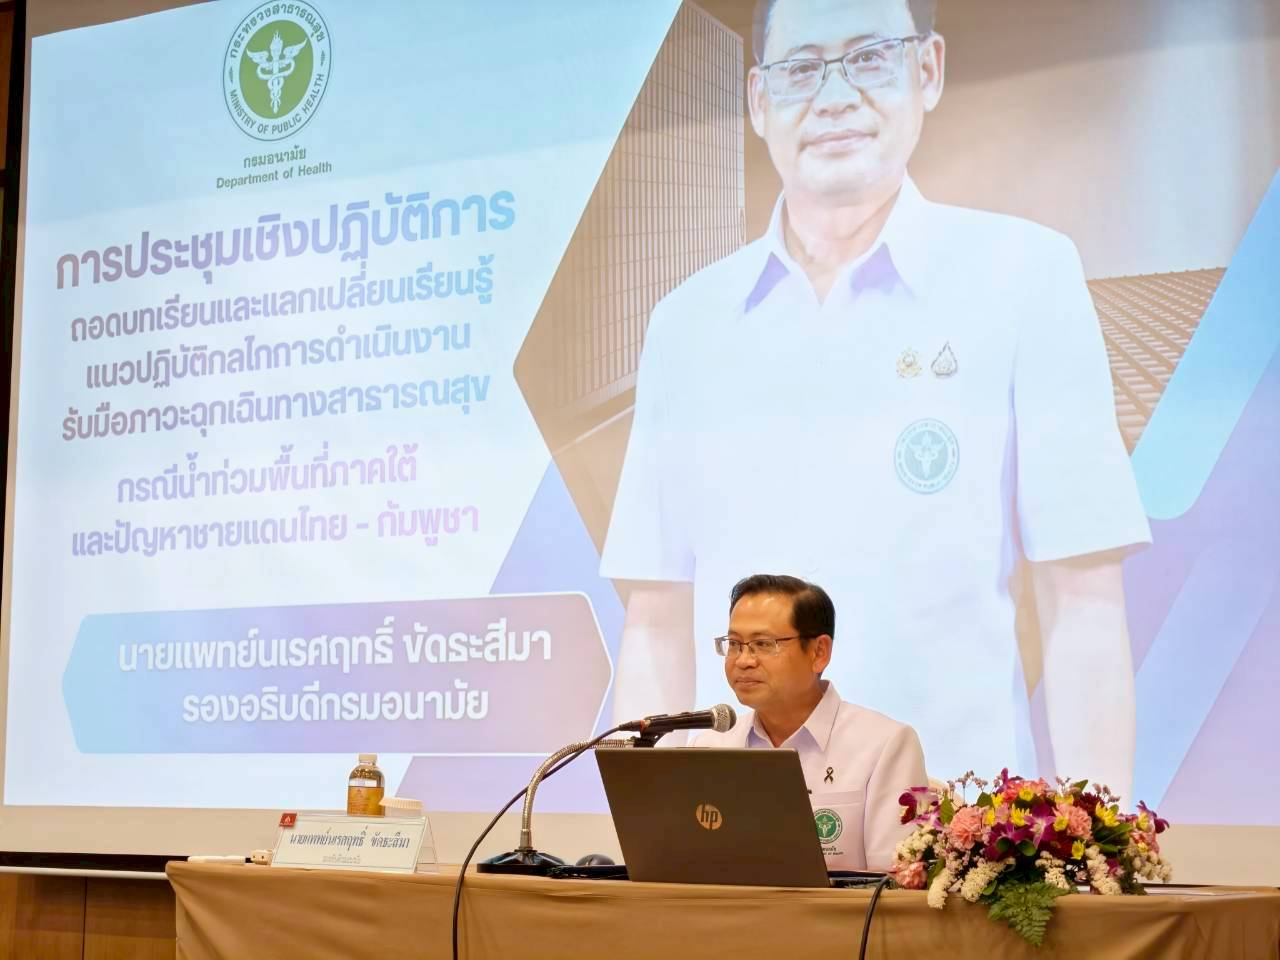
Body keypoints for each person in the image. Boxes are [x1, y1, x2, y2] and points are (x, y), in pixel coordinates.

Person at [600, 0, 1151, 799]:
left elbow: (1082, 602)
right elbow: (655, 616)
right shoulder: (687, 322)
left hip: (955, 823)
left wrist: (1100, 838)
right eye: (800, 69)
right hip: (737, 824)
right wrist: (652, 832)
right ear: (758, 99)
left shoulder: (1024, 275)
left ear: (927, 70)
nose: (833, 98)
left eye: (867, 58)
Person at [693, 574, 926, 871]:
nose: (743, 660)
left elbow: (894, 881)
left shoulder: (885, 745)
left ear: (819, 652)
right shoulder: (709, 747)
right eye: (735, 644)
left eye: (763, 644)